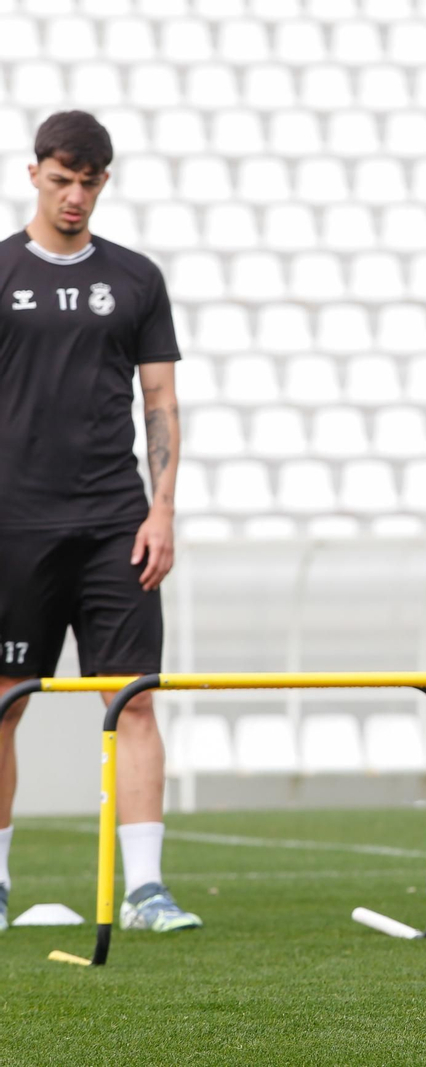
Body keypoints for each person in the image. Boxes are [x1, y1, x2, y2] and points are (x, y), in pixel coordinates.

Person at [0, 112, 201, 934]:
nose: (74, 195)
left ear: (104, 182)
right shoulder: (1, 271)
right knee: (4, 703)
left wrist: (162, 508)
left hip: (117, 521)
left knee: (135, 699)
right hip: (14, 524)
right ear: (35, 174)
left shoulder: (135, 278)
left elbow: (160, 399)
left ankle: (146, 889)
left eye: (88, 182)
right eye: (61, 180)